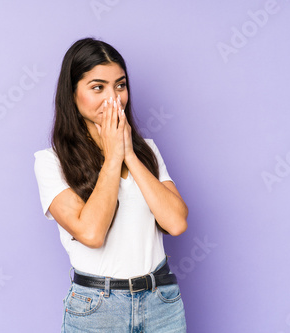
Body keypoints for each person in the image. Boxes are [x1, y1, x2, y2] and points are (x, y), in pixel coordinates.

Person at [34, 37, 188, 332]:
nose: (113, 98)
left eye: (120, 85)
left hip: (161, 302)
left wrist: (129, 152)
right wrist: (113, 157)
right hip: (98, 308)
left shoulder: (148, 152)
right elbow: (92, 233)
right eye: (97, 87)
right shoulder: (51, 162)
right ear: (72, 93)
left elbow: (177, 222)